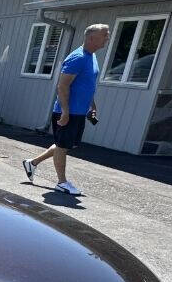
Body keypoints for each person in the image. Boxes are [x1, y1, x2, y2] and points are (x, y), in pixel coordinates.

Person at [21, 23, 110, 195]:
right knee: (62, 146)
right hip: (68, 111)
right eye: (105, 35)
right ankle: (61, 182)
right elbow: (62, 86)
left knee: (64, 145)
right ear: (92, 38)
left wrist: (91, 105)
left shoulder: (91, 56)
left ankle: (32, 163)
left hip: (79, 111)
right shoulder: (77, 58)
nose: (107, 38)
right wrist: (66, 111)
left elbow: (86, 85)